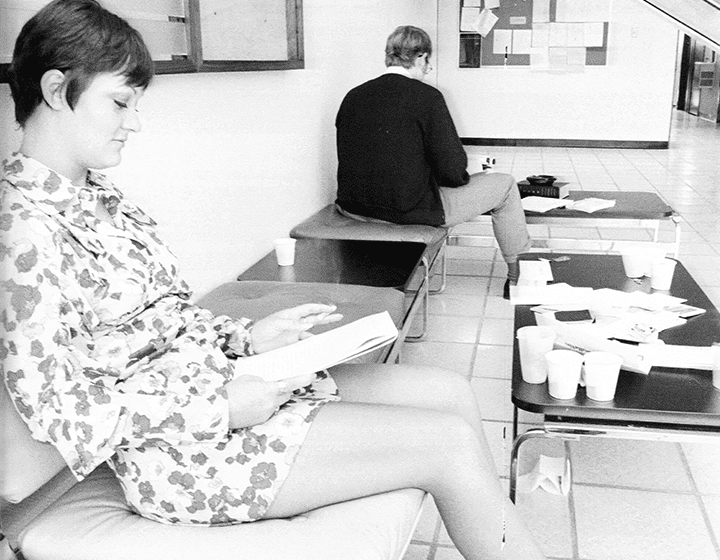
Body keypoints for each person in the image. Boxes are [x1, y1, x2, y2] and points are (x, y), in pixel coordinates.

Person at [0, 2, 545, 558]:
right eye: (120, 102)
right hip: (183, 449)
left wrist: (247, 338)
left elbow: (166, 320)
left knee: (449, 391)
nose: (134, 122)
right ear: (54, 88)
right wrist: (220, 406)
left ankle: (495, 524)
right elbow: (59, 411)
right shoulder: (21, 233)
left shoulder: (98, 197)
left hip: (227, 380)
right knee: (445, 443)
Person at [335, 25, 532, 298]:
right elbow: (453, 172)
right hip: (406, 210)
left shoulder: (353, 95)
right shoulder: (427, 97)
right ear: (420, 58)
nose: (429, 69)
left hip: (353, 207)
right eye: (428, 61)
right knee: (506, 185)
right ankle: (518, 276)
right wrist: (461, 174)